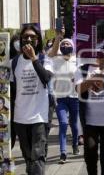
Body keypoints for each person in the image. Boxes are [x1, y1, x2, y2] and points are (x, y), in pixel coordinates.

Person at [11, 23, 53, 174]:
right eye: (25, 37)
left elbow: (46, 78)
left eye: (32, 37)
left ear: (38, 40)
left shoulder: (45, 60)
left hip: (39, 118)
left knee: (37, 158)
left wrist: (34, 58)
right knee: (28, 159)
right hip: (20, 119)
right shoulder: (14, 63)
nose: (28, 40)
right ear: (20, 40)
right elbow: (12, 91)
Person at [75, 57, 104, 175]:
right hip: (89, 120)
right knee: (90, 152)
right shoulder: (82, 68)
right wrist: (93, 79)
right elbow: (78, 89)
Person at [48, 36, 80, 164]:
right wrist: (58, 37)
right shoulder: (55, 59)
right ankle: (63, 152)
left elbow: (82, 75)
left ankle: (75, 144)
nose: (66, 45)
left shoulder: (76, 60)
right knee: (63, 123)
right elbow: (50, 54)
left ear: (72, 46)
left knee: (74, 124)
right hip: (60, 97)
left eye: (68, 43)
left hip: (74, 97)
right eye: (63, 43)